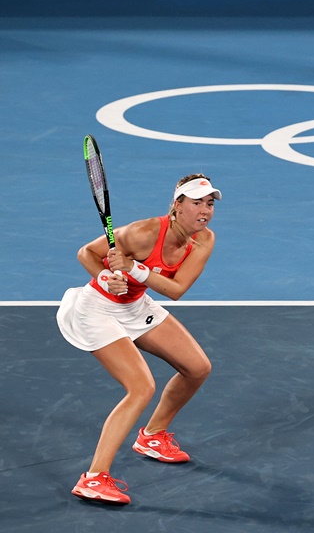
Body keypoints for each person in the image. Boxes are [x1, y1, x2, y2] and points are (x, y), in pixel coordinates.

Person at [58, 174, 221, 504]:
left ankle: (152, 435)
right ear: (177, 206)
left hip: (135, 306)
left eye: (209, 203)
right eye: (196, 202)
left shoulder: (205, 240)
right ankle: (93, 478)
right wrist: (107, 276)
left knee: (197, 368)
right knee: (141, 387)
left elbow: (175, 291)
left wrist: (133, 270)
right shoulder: (143, 232)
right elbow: (86, 253)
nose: (204, 210)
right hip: (98, 310)